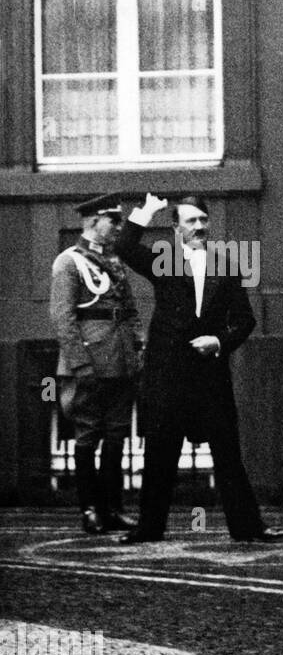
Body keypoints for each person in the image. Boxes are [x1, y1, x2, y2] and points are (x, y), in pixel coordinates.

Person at [114, 193, 283, 544]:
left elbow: (244, 321)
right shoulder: (163, 261)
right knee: (161, 453)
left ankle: (248, 527)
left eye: (203, 221)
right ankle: (149, 528)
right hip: (167, 375)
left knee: (227, 454)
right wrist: (146, 211)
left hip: (209, 376)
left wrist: (219, 342)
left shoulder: (226, 265)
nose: (198, 227)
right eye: (190, 221)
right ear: (176, 229)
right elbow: (125, 246)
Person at [49, 193, 141, 534]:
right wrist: (80, 366)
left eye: (120, 220)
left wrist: (137, 350)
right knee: (87, 435)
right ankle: (89, 510)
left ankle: (113, 508)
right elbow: (63, 319)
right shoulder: (69, 262)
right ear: (91, 222)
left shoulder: (116, 262)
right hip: (88, 363)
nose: (118, 226)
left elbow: (130, 313)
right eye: (112, 220)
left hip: (120, 362)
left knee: (117, 436)